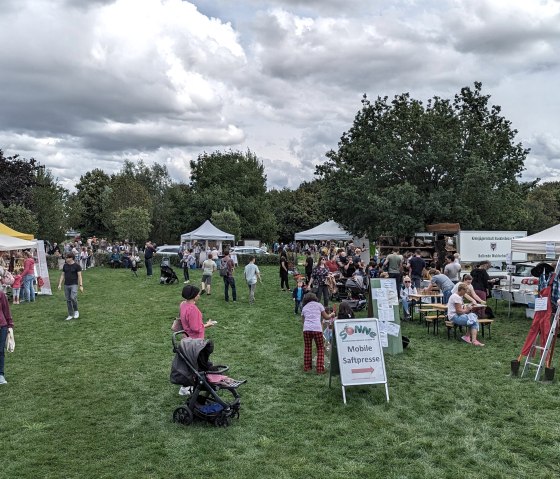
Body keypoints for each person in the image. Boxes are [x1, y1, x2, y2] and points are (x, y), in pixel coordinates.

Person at [178, 284, 215, 396]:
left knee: (191, 364)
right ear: (194, 296)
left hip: (187, 340)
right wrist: (208, 324)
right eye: (198, 293)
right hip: (195, 342)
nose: (199, 295)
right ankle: (188, 387)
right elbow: (196, 328)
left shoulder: (183, 304)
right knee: (198, 364)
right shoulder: (192, 309)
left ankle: (189, 386)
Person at [301, 292, 335, 374]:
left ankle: (307, 367)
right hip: (317, 329)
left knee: (307, 348)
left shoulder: (304, 307)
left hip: (306, 329)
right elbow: (326, 317)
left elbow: (303, 320)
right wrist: (332, 314)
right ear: (315, 298)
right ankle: (320, 369)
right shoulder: (319, 305)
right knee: (320, 348)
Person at [57, 253, 84, 320]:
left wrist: (81, 285)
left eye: (67, 258)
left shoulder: (77, 266)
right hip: (66, 285)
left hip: (74, 284)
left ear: (71, 258)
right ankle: (70, 314)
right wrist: (60, 284)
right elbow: (62, 275)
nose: (66, 259)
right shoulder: (65, 265)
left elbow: (79, 276)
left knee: (73, 297)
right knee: (68, 300)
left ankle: (76, 311)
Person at [0, 289, 14, 385]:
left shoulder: (0, 294)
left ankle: (0, 375)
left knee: (0, 351)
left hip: (2, 327)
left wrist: (10, 325)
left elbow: (6, 310)